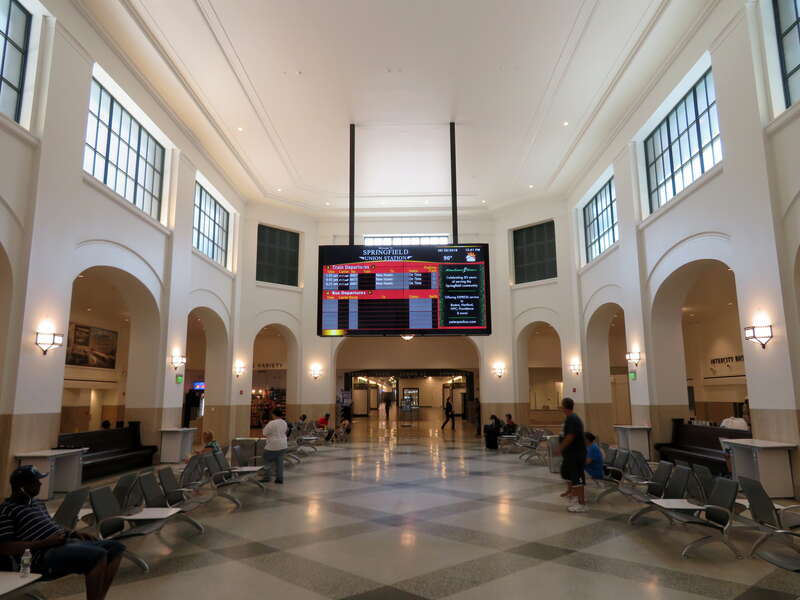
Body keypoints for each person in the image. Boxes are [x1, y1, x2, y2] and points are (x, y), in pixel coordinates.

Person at [0, 466, 125, 600]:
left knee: (116, 548)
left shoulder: (37, 503)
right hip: (40, 556)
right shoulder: (6, 511)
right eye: (36, 481)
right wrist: (45, 543)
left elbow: (51, 525)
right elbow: (5, 548)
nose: (40, 484)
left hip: (63, 543)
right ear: (22, 487)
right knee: (98, 556)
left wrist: (73, 533)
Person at [558, 397, 587, 512]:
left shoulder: (572, 419)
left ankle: (581, 503)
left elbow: (570, 436)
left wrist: (561, 447)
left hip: (576, 454)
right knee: (572, 476)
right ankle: (576, 498)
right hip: (572, 454)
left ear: (564, 406)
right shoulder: (570, 418)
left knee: (577, 478)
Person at [262, 408, 288, 484]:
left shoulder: (272, 423)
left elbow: (264, 433)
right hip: (283, 445)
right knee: (279, 462)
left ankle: (267, 477)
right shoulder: (284, 422)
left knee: (267, 460)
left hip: (272, 445)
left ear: (274, 414)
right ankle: (279, 478)